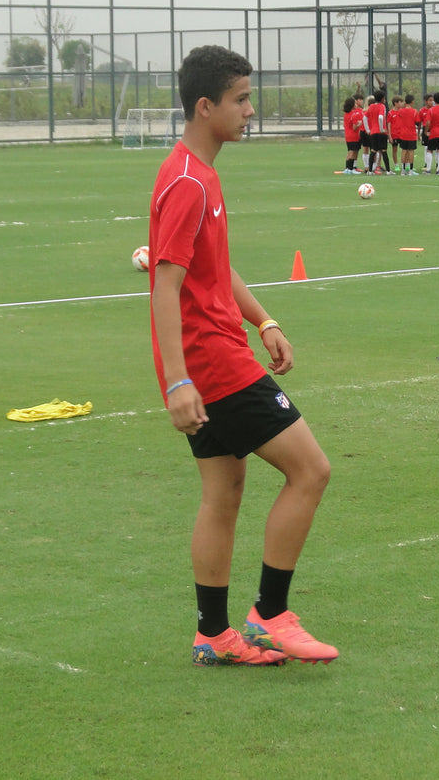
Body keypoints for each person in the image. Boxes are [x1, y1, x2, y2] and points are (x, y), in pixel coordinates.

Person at [149, 45, 338, 665]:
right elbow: (166, 285)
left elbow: (214, 267)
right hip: (211, 363)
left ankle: (213, 634)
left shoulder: (199, 174)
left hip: (218, 352)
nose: (251, 111)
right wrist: (178, 381)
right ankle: (271, 614)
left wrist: (264, 319)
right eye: (241, 99)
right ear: (206, 107)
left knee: (223, 490)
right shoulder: (186, 182)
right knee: (310, 470)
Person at [363, 89, 390, 174]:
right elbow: (381, 117)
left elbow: (364, 117)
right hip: (381, 132)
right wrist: (382, 128)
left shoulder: (371, 106)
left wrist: (367, 129)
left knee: (373, 151)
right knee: (384, 151)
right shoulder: (382, 106)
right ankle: (388, 170)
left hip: (373, 132)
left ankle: (370, 170)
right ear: (382, 99)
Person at [391, 93, 420, 174]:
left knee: (403, 151)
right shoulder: (414, 111)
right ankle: (410, 170)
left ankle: (403, 170)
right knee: (411, 151)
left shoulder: (400, 111)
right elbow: (417, 122)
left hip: (403, 134)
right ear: (412, 102)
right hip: (411, 134)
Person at [340, 96, 363, 173]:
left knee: (349, 151)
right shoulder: (354, 114)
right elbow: (354, 127)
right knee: (353, 152)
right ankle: (351, 168)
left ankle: (347, 168)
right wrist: (359, 124)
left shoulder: (346, 114)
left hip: (347, 135)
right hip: (354, 135)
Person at [416, 94, 433, 172]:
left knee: (435, 147)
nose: (431, 102)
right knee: (426, 147)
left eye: (432, 100)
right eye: (430, 100)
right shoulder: (422, 110)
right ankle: (426, 163)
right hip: (425, 129)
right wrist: (418, 133)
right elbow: (420, 123)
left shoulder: (434, 109)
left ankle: (437, 164)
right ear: (425, 101)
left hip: (433, 129)